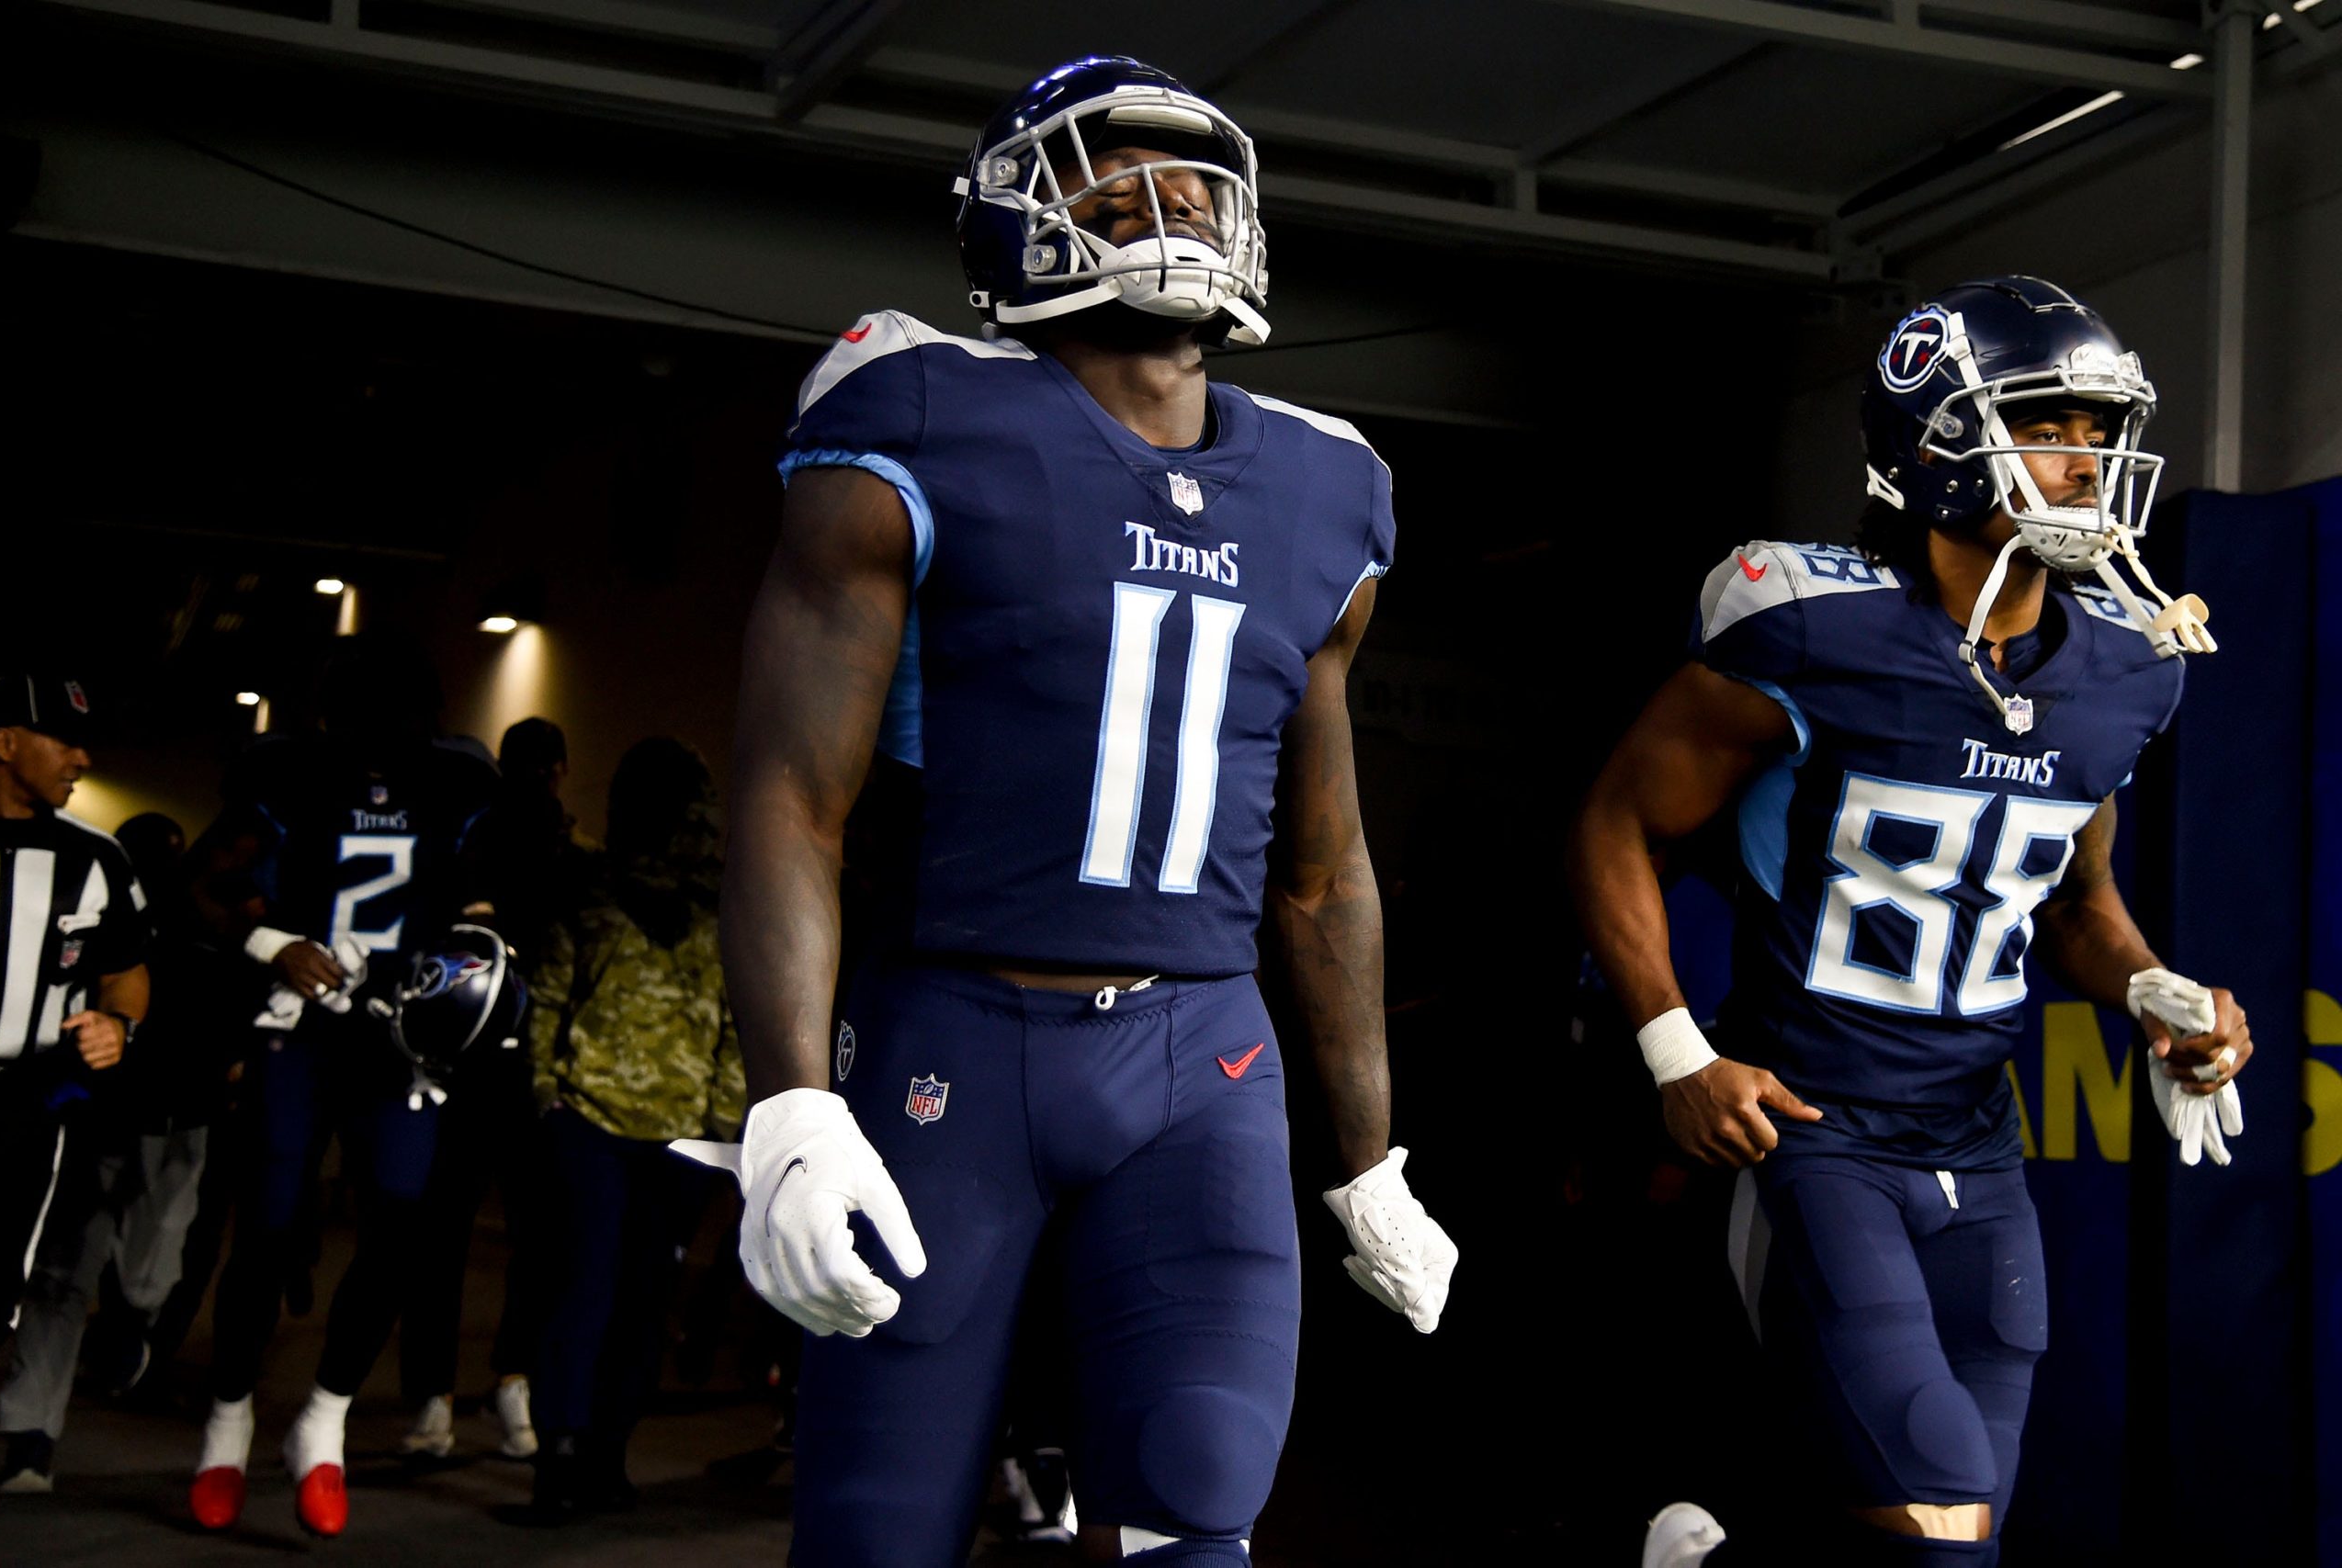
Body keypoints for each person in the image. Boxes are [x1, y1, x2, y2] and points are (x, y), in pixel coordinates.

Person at [694, 55, 1457, 1567]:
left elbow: (1321, 870)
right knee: (875, 1522)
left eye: (1196, 182)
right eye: (1115, 178)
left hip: (1204, 1061)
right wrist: (789, 1094)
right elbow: (790, 796)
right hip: (954, 1038)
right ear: (1009, 223)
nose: (1168, 207)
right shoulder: (915, 416)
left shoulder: (1325, 487)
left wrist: (1370, 1156)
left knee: (1197, 1494)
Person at [1571, 277, 2246, 1567]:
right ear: (1941, 440)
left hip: (1982, 1147)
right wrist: (1675, 1049)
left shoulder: (2122, 671)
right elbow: (1615, 818)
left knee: (1950, 1535)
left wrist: (2156, 989)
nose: (2090, 461)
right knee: (1935, 1515)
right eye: (2053, 424)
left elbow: (2080, 900)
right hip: (1818, 1131)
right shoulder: (1814, 627)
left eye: (2102, 431)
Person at [186, 637, 501, 1538]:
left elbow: (484, 909)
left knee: (401, 1229)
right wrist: (270, 943)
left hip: (399, 1039)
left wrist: (471, 965)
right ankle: (229, 1416)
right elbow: (199, 886)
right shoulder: (287, 779)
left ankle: (323, 1420)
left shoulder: (461, 791)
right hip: (301, 1031)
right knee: (272, 1224)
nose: (383, 745)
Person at [520, 737, 739, 1520]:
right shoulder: (589, 889)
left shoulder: (725, 903)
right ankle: (562, 1455)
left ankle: (608, 1448)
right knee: (583, 1287)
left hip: (681, 1133)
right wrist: (546, 1090)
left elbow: (736, 1026)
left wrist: (725, 1121)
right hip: (589, 1120)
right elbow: (546, 994)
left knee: (646, 1298)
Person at [0, 813, 231, 1491]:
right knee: (63, 1269)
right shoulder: (81, 919)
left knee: (148, 1270)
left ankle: (130, 1322)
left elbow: (212, 1014)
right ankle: (30, 1435)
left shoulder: (203, 928)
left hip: (178, 1116)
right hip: (95, 1115)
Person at [395, 717, 586, 1464]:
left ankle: (433, 1401)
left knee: (440, 1237)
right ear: (562, 769)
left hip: (466, 1069)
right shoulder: (571, 853)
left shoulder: (467, 846)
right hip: (535, 1075)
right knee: (538, 1239)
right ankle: (513, 1382)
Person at [0, 673, 149, 1490]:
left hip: (27, 1100)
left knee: (4, 1290)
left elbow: (127, 975)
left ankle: (21, 1433)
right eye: (64, 738)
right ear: (5, 741)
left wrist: (117, 1024)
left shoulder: (94, 859)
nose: (82, 758)